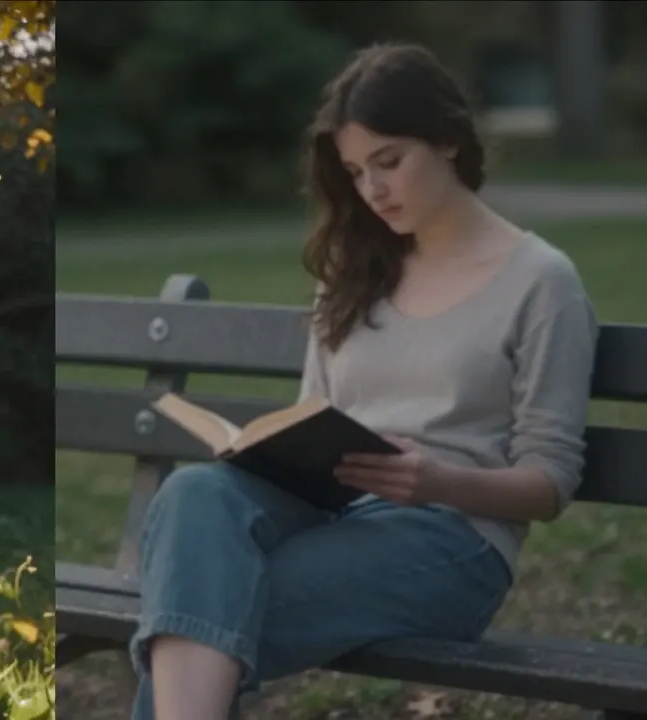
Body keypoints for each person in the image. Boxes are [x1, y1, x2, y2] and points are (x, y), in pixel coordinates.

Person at [130, 42, 598, 719]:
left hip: (450, 540)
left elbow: (550, 483)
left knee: (200, 609)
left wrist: (436, 480)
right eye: (355, 171)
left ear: (448, 141)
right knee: (196, 492)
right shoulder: (355, 269)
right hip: (332, 509)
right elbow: (313, 416)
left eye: (389, 162)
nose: (374, 190)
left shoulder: (541, 281)